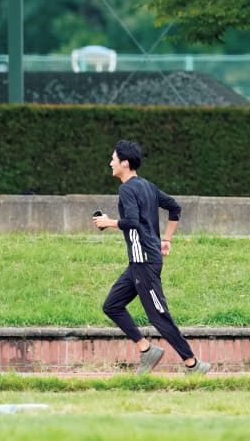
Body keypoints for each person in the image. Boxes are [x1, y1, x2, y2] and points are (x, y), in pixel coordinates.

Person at [94, 139, 210, 375]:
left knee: (159, 317)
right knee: (112, 305)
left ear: (125, 163)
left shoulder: (127, 188)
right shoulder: (147, 186)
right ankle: (147, 350)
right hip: (139, 263)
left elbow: (133, 222)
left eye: (113, 159)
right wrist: (166, 239)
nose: (110, 163)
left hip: (144, 262)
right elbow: (175, 207)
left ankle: (193, 364)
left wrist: (109, 222)